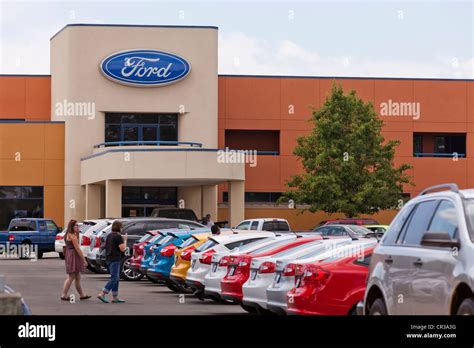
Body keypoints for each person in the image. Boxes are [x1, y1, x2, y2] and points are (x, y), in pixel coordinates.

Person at [97, 221, 127, 303]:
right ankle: (102, 293)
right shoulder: (118, 237)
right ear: (119, 227)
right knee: (115, 278)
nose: (122, 228)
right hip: (115, 259)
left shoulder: (109, 235)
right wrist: (125, 240)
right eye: (121, 226)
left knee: (115, 278)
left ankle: (115, 297)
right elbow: (123, 249)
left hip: (108, 258)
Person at [61, 219, 90, 301]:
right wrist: (84, 260)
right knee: (71, 276)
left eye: (78, 225)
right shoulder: (72, 236)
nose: (78, 227)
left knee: (77, 277)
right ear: (72, 226)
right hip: (73, 255)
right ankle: (64, 295)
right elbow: (77, 248)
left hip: (70, 254)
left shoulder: (68, 234)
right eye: (76, 225)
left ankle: (82, 295)